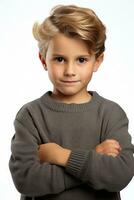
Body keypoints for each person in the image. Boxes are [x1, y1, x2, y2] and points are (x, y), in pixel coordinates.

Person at [9, 5, 134, 200]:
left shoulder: (111, 114)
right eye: (59, 59)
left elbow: (119, 175)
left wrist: (61, 156)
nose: (70, 71)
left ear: (97, 61)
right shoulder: (31, 115)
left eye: (81, 60)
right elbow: (26, 180)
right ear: (43, 60)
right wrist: (93, 156)